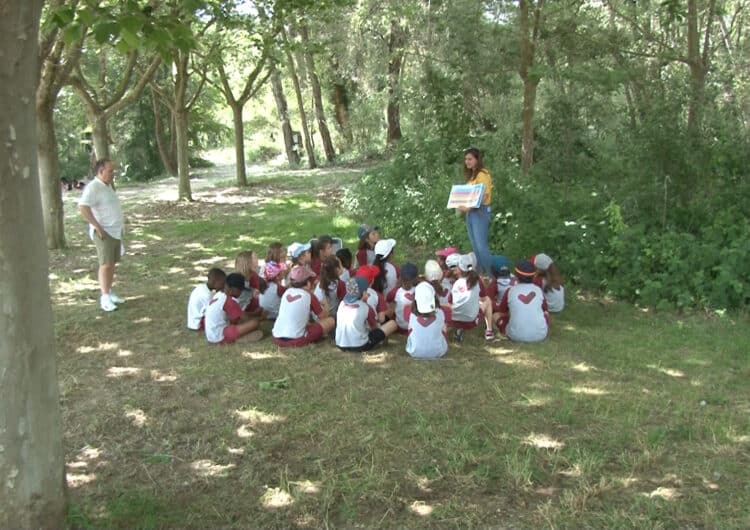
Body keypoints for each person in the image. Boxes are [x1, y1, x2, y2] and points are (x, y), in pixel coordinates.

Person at [78, 158, 125, 312]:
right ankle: (104, 297)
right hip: (104, 232)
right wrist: (97, 226)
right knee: (105, 264)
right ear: (101, 171)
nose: (113, 174)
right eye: (110, 171)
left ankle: (109, 292)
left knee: (111, 263)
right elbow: (83, 207)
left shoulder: (107, 186)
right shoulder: (93, 187)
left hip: (115, 231)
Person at [272, 266, 335, 347]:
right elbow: (323, 316)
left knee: (307, 323)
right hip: (295, 340)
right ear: (308, 283)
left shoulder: (287, 292)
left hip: (277, 337)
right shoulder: (309, 295)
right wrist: (326, 304)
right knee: (330, 321)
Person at [336, 276, 398, 352]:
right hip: (359, 346)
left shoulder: (342, 303)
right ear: (364, 293)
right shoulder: (366, 307)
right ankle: (381, 343)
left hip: (340, 344)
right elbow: (374, 328)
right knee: (392, 324)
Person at [457, 148, 493, 276]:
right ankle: (480, 275)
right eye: (466, 159)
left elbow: (482, 196)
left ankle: (489, 276)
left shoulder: (482, 174)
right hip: (471, 213)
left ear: (477, 159)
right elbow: (468, 195)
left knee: (482, 247)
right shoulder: (473, 176)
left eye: (470, 159)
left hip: (480, 212)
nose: (467, 161)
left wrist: (468, 208)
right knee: (476, 247)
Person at [496, 260, 549, 342]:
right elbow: (545, 309)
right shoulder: (538, 290)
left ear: (516, 276)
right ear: (534, 276)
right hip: (541, 335)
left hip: (515, 335)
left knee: (496, 316)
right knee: (545, 314)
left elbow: (502, 312)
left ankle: (504, 332)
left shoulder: (510, 290)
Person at [446, 254, 494, 342]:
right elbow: (483, 298)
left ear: (459, 269)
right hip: (471, 322)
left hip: (455, 321)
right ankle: (489, 331)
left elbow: (450, 303)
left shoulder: (456, 283)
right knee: (488, 300)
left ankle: (456, 330)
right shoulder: (477, 281)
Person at [204, 273, 263, 344]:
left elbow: (238, 316)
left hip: (211, 334)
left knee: (238, 321)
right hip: (220, 335)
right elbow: (247, 319)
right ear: (233, 289)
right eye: (240, 290)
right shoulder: (230, 302)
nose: (241, 293)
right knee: (255, 323)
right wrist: (259, 318)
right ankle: (238, 339)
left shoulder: (219, 295)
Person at [406, 282, 449, 359]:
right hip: (438, 352)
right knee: (443, 326)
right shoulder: (440, 312)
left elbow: (410, 330)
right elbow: (444, 330)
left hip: (414, 351)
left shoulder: (412, 314)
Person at [386, 262, 418, 333]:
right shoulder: (418, 289)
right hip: (414, 327)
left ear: (400, 277)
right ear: (415, 278)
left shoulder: (395, 292)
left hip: (400, 326)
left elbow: (389, 302)